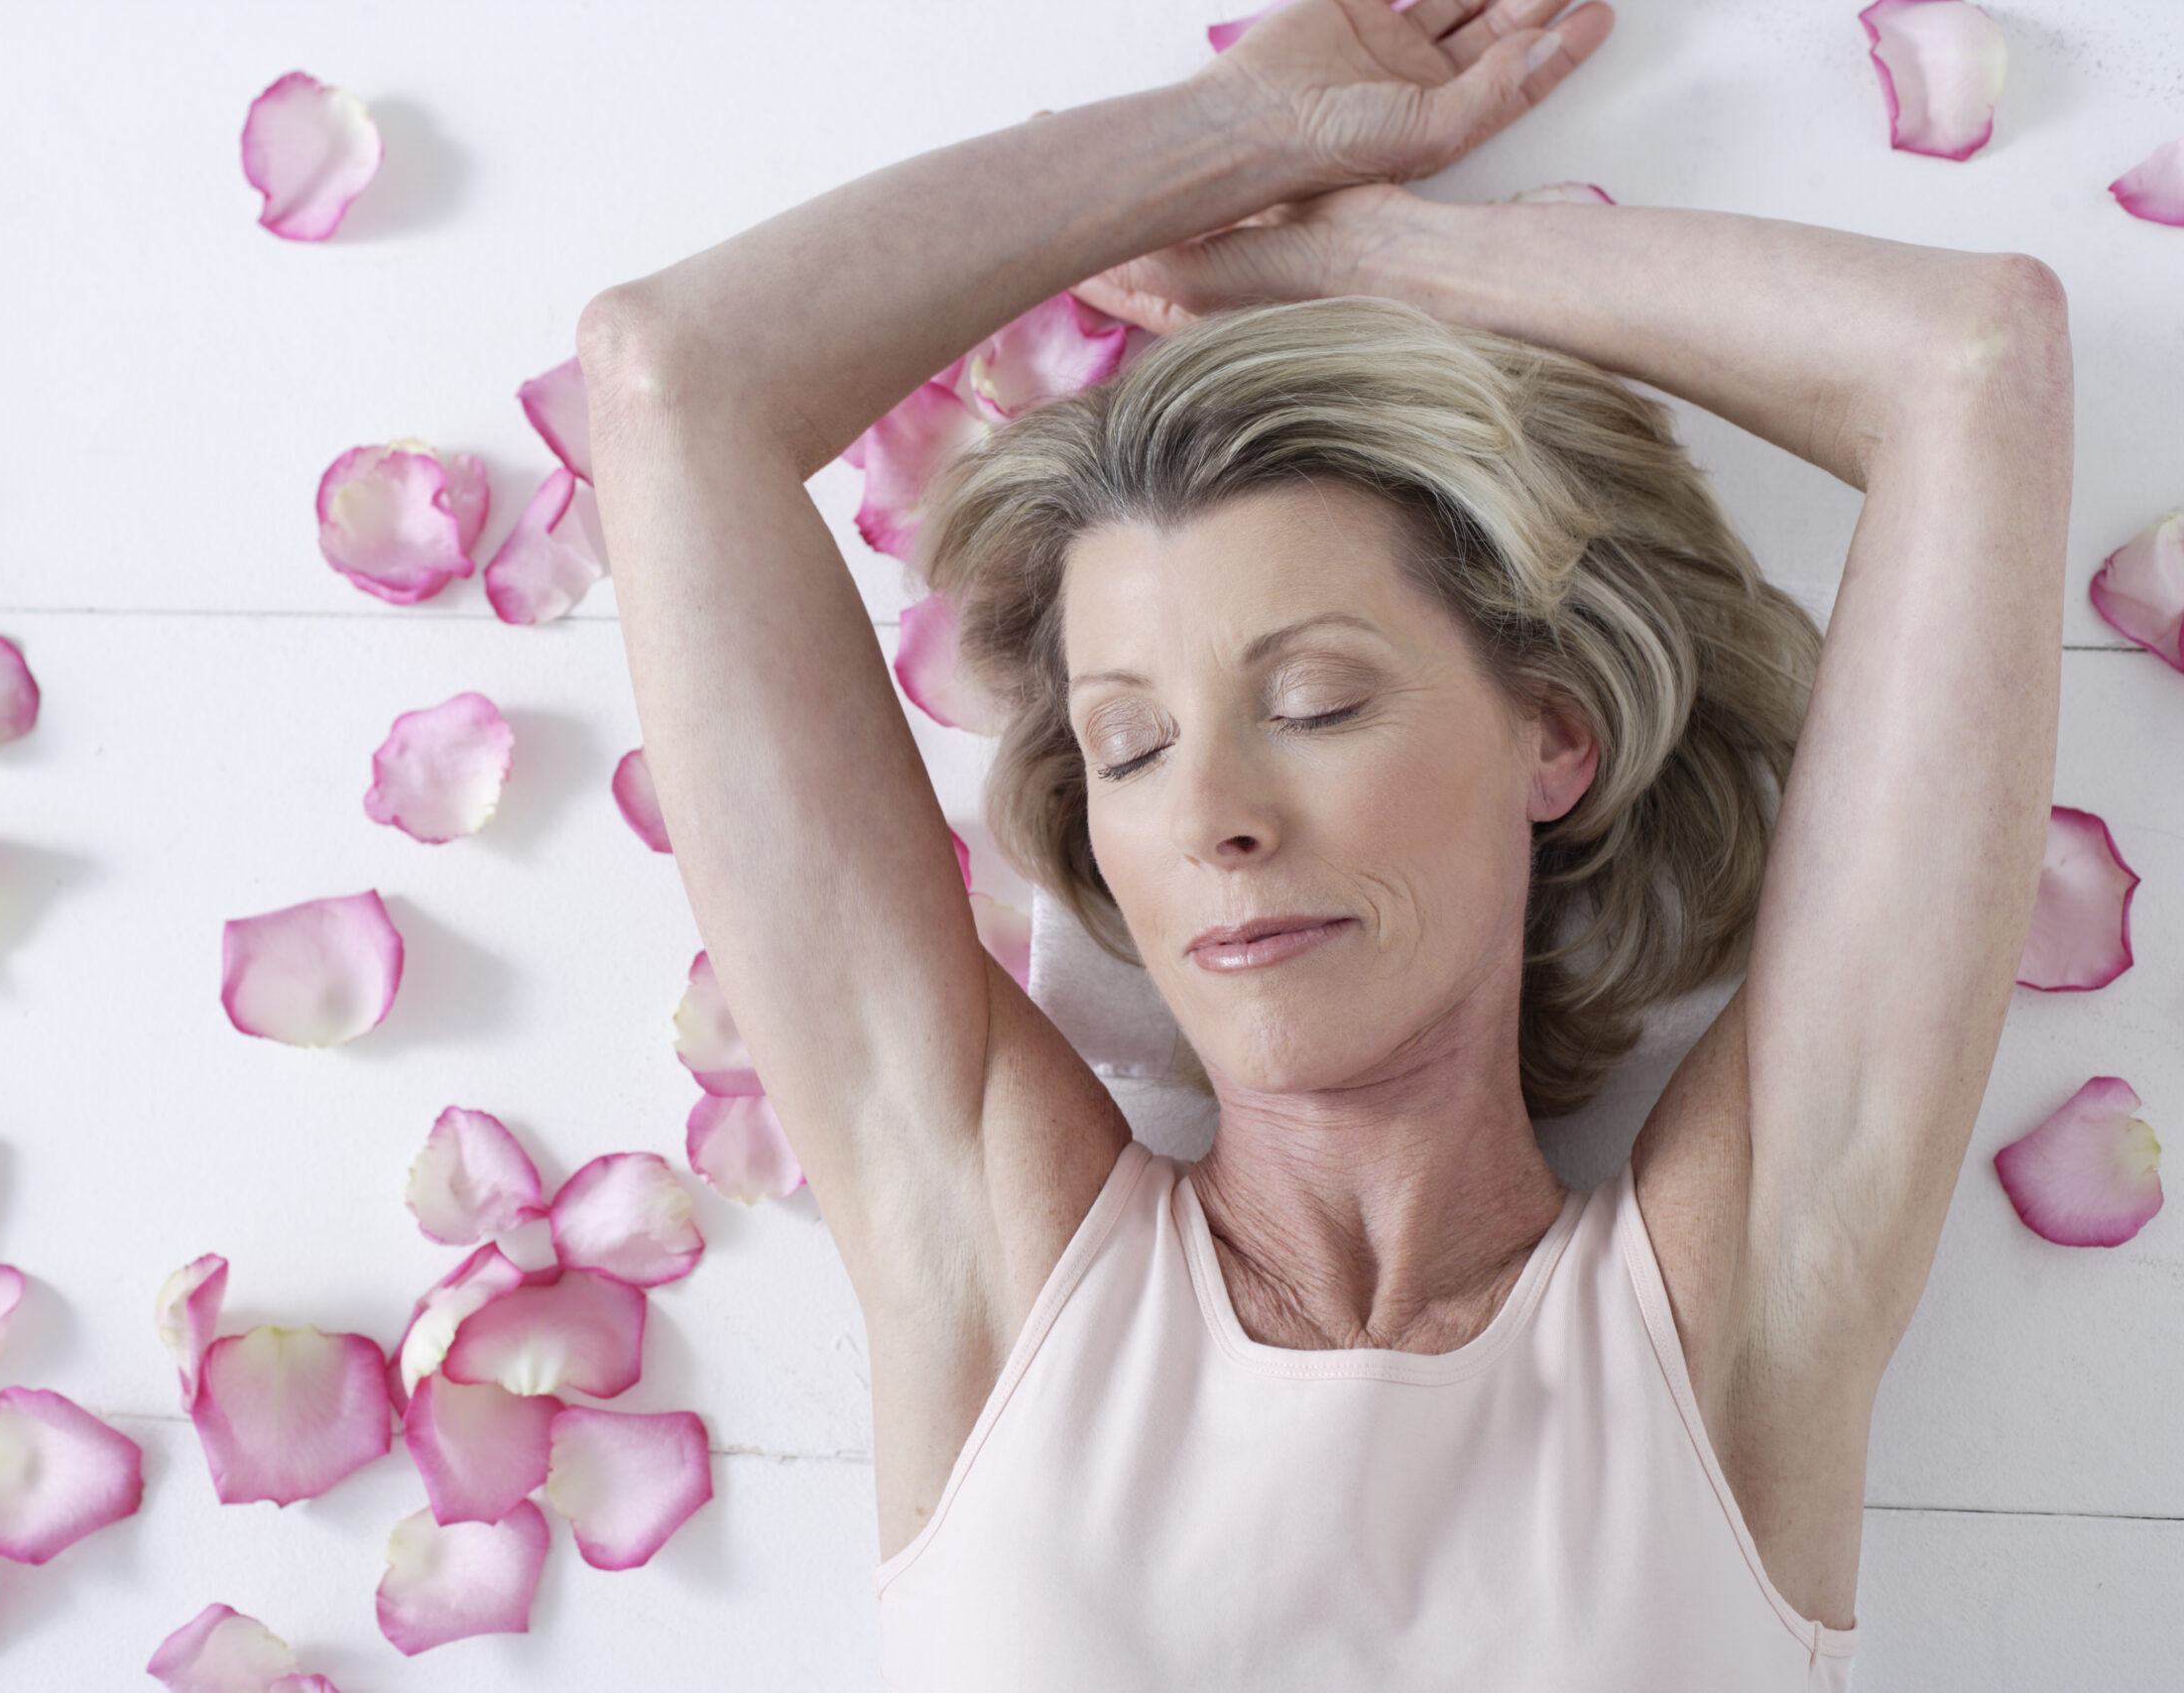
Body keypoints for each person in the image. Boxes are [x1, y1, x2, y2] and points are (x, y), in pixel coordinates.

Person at [574, 0, 2071, 1685]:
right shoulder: (998, 1279)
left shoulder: (1729, 1325)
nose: (1214, 814)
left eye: (1316, 703)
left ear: (1553, 737)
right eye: (1130, 746)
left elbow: (1974, 366)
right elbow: (668, 379)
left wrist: (1376, 259)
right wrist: (1238, 133)